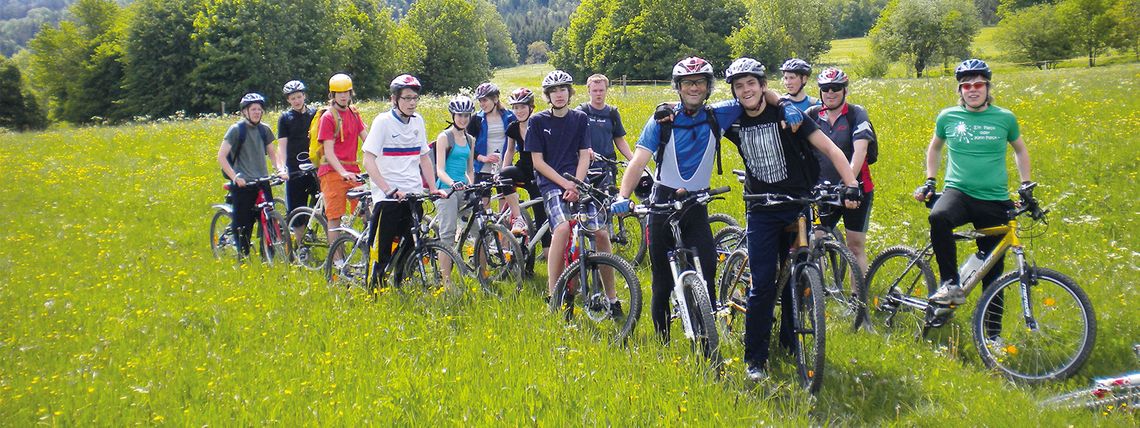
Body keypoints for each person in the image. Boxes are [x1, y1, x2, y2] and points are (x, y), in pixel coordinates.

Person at [609, 57, 792, 345]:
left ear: (708, 87)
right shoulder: (662, 121)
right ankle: (663, 343)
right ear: (678, 88)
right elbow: (638, 161)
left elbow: (755, 94)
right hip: (662, 205)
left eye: (700, 82)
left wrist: (785, 104)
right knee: (661, 282)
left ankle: (705, 336)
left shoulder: (718, 115)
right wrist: (622, 196)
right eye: (687, 83)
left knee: (707, 273)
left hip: (696, 205)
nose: (694, 88)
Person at [717, 57, 862, 382]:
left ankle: (790, 342)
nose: (746, 90)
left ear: (763, 85)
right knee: (763, 284)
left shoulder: (788, 117)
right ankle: (755, 360)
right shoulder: (735, 117)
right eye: (739, 86)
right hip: (760, 211)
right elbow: (697, 113)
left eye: (751, 83)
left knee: (797, 276)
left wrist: (852, 185)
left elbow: (831, 150)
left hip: (797, 207)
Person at [914, 59, 1033, 308]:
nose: (973, 89)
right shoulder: (948, 117)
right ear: (960, 91)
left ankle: (991, 335)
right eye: (966, 86)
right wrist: (930, 180)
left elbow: (1020, 150)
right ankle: (950, 284)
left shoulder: (1005, 118)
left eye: (978, 84)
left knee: (993, 273)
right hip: (960, 193)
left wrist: (1026, 183)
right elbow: (935, 148)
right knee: (939, 217)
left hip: (995, 198)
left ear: (988, 88)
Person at [526, 70, 617, 313]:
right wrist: (565, 184)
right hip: (552, 184)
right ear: (547, 95)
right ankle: (553, 293)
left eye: (562, 89)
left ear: (569, 92)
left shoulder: (579, 118)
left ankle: (612, 298)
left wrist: (576, 183)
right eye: (553, 91)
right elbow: (538, 162)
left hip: (578, 181)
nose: (558, 94)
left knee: (601, 234)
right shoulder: (537, 122)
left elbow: (584, 155)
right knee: (563, 229)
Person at [361, 74, 447, 286]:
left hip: (412, 194)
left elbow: (424, 158)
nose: (412, 103)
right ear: (394, 99)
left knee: (410, 245)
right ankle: (375, 290)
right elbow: (368, 160)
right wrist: (387, 189)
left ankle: (400, 284)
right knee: (381, 251)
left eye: (415, 98)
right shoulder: (383, 122)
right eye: (407, 98)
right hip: (388, 198)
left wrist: (434, 187)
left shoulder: (418, 121)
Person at [805, 67, 876, 273]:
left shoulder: (856, 114)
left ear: (845, 90)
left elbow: (860, 150)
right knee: (814, 241)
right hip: (823, 191)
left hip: (856, 190)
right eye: (825, 88)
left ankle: (858, 299)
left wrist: (849, 184)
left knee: (855, 246)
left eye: (836, 88)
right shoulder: (812, 115)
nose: (830, 93)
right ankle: (816, 292)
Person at [217, 93, 288, 257]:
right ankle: (243, 257)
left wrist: (280, 170)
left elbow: (272, 154)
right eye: (253, 109)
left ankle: (268, 255)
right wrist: (235, 177)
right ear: (245, 112)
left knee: (269, 217)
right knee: (244, 223)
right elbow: (221, 156)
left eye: (259, 109)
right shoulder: (236, 130)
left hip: (262, 181)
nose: (257, 112)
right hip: (243, 183)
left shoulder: (265, 130)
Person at [317, 73, 368, 251]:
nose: (344, 96)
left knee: (367, 210)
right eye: (339, 93)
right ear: (332, 95)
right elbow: (329, 152)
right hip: (332, 171)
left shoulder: (354, 113)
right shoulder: (328, 117)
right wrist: (342, 172)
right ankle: (336, 262)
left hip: (353, 169)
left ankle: (368, 252)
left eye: (346, 92)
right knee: (335, 217)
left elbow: (367, 141)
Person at [500, 87, 551, 260]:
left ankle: (547, 252)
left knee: (541, 214)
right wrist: (501, 171)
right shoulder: (513, 127)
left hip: (540, 172)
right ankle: (518, 217)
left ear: (531, 107)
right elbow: (509, 151)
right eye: (515, 107)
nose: (519, 111)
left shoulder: (540, 124)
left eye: (523, 107)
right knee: (504, 175)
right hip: (523, 169)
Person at [468, 82, 525, 235]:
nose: (482, 104)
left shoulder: (509, 117)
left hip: (503, 169)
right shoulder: (476, 120)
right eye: (480, 101)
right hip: (482, 169)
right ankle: (487, 244)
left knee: (504, 213)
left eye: (485, 100)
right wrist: (483, 158)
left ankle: (505, 248)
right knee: (485, 210)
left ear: (495, 99)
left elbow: (517, 139)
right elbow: (466, 144)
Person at [434, 95, 476, 274]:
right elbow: (439, 169)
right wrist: (453, 183)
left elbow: (471, 169)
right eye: (460, 115)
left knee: (478, 227)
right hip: (446, 189)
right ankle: (446, 281)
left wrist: (471, 185)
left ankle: (483, 274)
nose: (463, 119)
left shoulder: (470, 139)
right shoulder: (444, 137)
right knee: (448, 235)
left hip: (463, 189)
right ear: (453, 115)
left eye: (467, 115)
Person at [276, 80, 319, 240]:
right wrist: (283, 168)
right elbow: (282, 145)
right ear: (288, 100)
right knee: (296, 209)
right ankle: (301, 246)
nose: (297, 101)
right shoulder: (285, 119)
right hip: (294, 168)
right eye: (293, 98)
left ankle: (314, 231)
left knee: (320, 203)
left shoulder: (315, 114)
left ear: (304, 96)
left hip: (314, 166)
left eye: (299, 97)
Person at [577, 74, 633, 189]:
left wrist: (635, 161)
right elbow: (571, 138)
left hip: (607, 165)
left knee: (609, 199)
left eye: (601, 90)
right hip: (584, 165)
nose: (598, 94)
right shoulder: (581, 112)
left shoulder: (612, 113)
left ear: (606, 90)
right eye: (595, 90)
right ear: (589, 91)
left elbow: (619, 140)